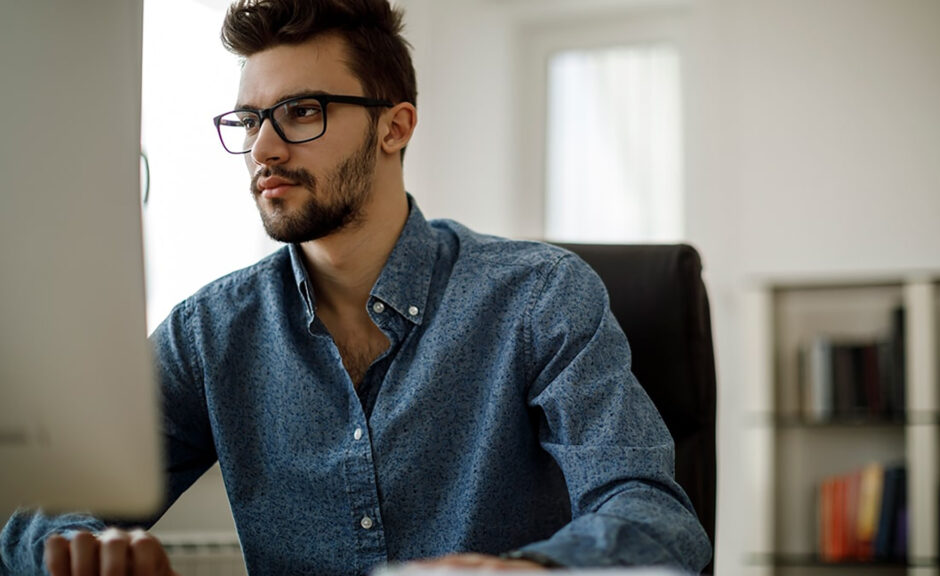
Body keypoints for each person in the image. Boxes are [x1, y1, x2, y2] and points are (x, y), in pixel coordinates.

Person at [1, 0, 712, 574]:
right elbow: (38, 510)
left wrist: (528, 572)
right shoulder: (210, 333)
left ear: (394, 127)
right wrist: (74, 547)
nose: (264, 149)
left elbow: (655, 518)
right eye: (249, 121)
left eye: (301, 112)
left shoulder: (540, 297)